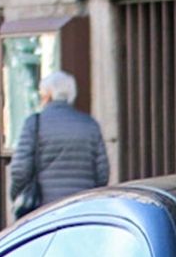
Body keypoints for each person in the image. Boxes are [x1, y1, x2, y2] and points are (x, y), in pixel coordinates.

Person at [8, 71, 109, 218]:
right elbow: (102, 173)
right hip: (82, 209)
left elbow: (19, 170)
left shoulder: (35, 124)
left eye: (42, 93)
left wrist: (17, 193)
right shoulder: (90, 125)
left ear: (49, 94)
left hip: (44, 211)